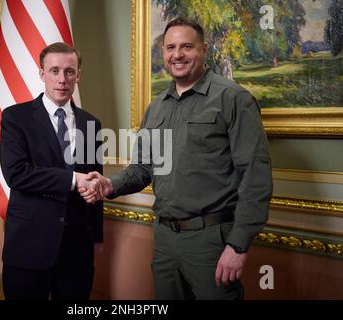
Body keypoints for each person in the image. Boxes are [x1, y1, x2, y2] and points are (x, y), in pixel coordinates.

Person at [81, 17, 273, 300]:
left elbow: (255, 177)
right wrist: (110, 185)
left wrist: (238, 246)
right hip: (164, 238)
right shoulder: (157, 107)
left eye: (187, 46)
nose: (177, 54)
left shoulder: (233, 99)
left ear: (204, 49)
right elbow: (143, 168)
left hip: (211, 240)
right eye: (170, 47)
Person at [0, 42, 103, 300]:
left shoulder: (91, 123)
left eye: (69, 72)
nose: (62, 79)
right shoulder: (15, 117)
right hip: (28, 244)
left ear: (78, 75)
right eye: (54, 71)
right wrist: (72, 179)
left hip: (77, 247)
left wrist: (96, 236)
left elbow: (95, 181)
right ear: (42, 74)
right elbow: (17, 173)